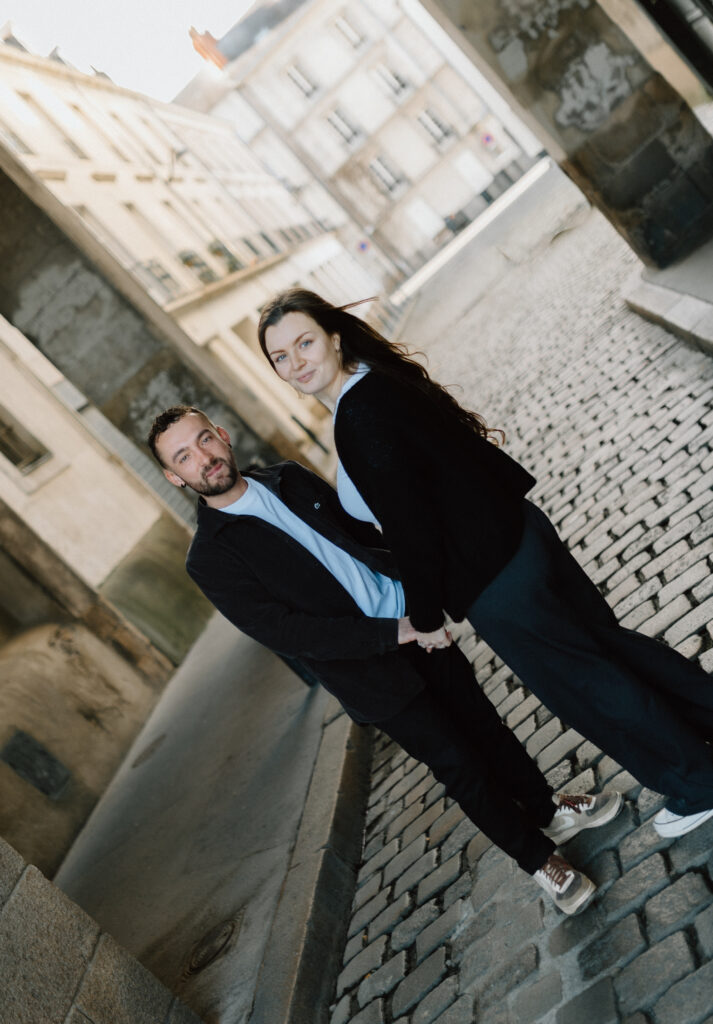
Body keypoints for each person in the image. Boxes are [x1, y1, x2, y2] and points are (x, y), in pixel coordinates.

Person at [258, 287, 713, 841]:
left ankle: (697, 783)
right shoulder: (373, 385)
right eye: (280, 356)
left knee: (587, 685)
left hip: (497, 580)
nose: (296, 362)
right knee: (611, 650)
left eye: (304, 343)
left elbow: (411, 529)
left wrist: (426, 617)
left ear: (333, 338)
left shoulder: (360, 413)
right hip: (518, 538)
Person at [147, 405, 624, 916]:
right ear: (175, 477)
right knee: (460, 765)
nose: (203, 457)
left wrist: (418, 595)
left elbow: (363, 536)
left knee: (488, 727)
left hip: (415, 622)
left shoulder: (287, 477)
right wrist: (390, 633)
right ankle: (539, 859)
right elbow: (287, 632)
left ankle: (548, 809)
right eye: (184, 457)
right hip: (370, 672)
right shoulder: (211, 559)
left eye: (204, 439)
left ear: (222, 434)